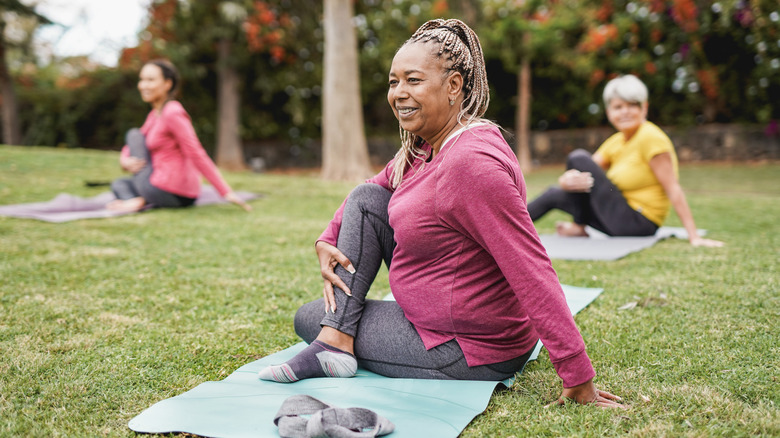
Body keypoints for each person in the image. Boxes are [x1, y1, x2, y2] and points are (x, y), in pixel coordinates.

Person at [259, 19, 624, 409]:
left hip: (468, 347)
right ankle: (336, 340)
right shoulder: (426, 147)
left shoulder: (470, 164)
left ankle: (334, 340)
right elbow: (372, 189)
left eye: (413, 80)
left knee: (308, 317)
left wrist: (577, 375)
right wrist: (327, 237)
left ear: (453, 86)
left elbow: (530, 266)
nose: (399, 93)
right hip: (441, 323)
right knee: (366, 199)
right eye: (393, 81)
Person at [527, 74, 723, 247]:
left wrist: (694, 236)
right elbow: (585, 171)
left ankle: (579, 226)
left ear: (644, 107)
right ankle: (504, 232)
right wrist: (566, 180)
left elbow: (673, 187)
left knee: (577, 156)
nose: (625, 112)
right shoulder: (617, 141)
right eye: (618, 107)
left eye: (632, 105)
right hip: (615, 216)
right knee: (554, 193)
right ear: (609, 112)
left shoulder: (651, 137)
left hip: (638, 221)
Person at [107, 59, 251, 213]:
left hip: (171, 190)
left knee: (133, 134)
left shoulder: (172, 112)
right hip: (161, 187)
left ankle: (138, 200)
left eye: (150, 80)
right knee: (119, 184)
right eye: (142, 80)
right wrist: (124, 160)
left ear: (167, 84)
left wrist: (225, 191)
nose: (143, 85)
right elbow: (134, 143)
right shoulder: (154, 115)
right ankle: (138, 200)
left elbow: (196, 152)